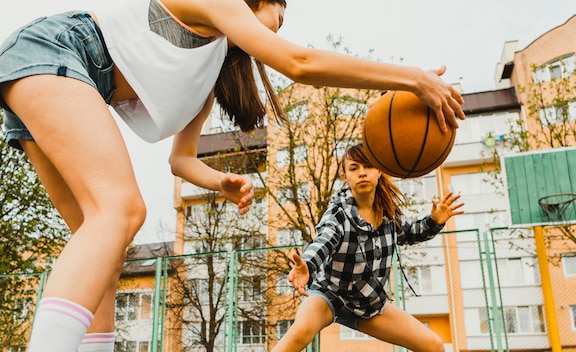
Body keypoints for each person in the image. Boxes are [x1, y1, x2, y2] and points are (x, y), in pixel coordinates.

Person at [0, 0, 465, 351]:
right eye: (277, 19)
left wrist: (220, 181)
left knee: (102, 242)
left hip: (53, 70)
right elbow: (299, 64)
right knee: (120, 211)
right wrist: (411, 78)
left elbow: (180, 160)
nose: (276, 33)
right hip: (56, 50)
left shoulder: (208, 72)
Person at [274, 144, 464, 352]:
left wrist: (434, 221)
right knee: (299, 332)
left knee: (434, 345)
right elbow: (324, 239)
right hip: (329, 295)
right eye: (354, 168)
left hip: (369, 306)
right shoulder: (339, 213)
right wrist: (308, 266)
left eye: (368, 166)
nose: (362, 173)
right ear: (345, 175)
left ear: (379, 171)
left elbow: (411, 232)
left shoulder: (388, 216)